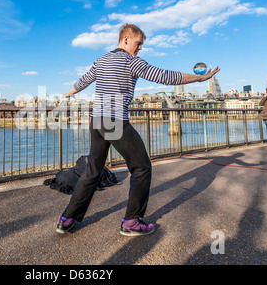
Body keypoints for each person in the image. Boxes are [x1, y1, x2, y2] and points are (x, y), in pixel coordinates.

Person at [56, 23, 220, 236]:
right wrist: (200, 78)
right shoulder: (130, 61)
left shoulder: (101, 60)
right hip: (114, 120)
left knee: (93, 170)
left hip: (96, 121)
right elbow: (165, 76)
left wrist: (67, 94)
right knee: (141, 167)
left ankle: (67, 219)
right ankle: (132, 222)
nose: (140, 48)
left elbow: (84, 80)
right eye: (138, 43)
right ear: (126, 39)